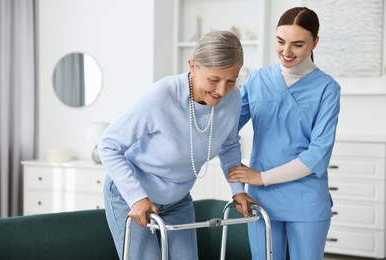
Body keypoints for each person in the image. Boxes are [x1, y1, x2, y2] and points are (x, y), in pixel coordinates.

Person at [98, 30, 254, 259]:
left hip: (178, 199)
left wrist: (238, 191)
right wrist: (137, 197)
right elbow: (108, 145)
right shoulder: (162, 96)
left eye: (231, 80)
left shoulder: (232, 98)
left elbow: (229, 145)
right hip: (132, 196)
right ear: (193, 66)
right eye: (214, 79)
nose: (222, 90)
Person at [228, 7, 341, 260]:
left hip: (305, 199)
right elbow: (226, 131)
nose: (286, 52)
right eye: (280, 42)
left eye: (297, 44)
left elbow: (318, 155)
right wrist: (238, 186)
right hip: (261, 200)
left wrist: (261, 177)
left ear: (315, 42)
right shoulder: (257, 80)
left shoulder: (327, 89)